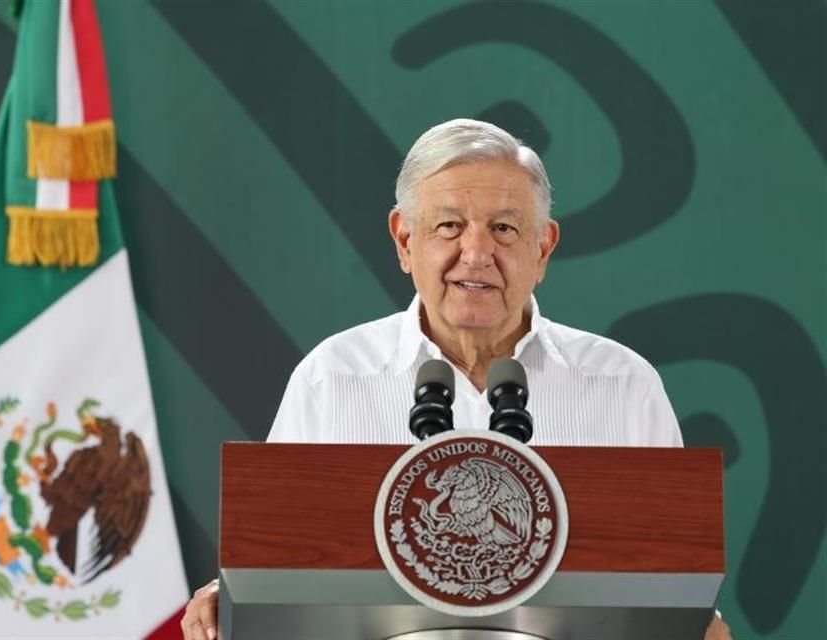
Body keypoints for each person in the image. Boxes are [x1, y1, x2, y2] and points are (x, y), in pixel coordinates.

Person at [181, 119, 731, 640]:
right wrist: (233, 598)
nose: (476, 253)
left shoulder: (622, 386)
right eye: (449, 226)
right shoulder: (334, 378)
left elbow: (669, 584)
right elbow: (279, 566)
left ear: (543, 248)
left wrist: (699, 625)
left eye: (504, 229)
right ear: (404, 240)